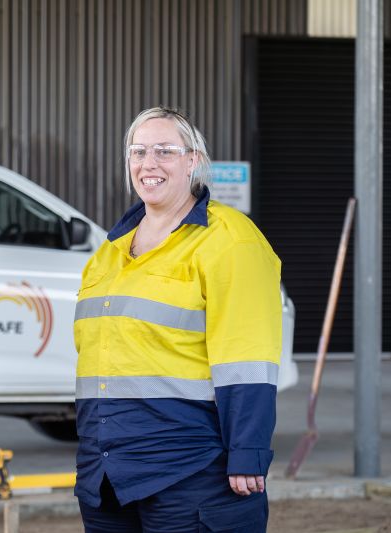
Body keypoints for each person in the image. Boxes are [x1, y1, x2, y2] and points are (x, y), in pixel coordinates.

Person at [73, 107, 281, 532]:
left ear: (194, 161)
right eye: (138, 151)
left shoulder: (230, 241)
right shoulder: (108, 254)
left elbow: (248, 356)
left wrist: (248, 452)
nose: (149, 164)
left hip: (191, 474)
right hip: (106, 477)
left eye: (165, 151)